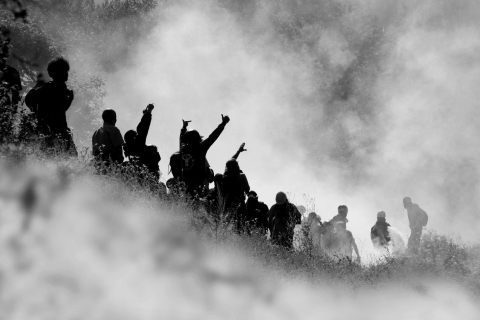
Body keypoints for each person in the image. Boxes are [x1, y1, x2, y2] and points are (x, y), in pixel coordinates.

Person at [25, 56, 76, 156]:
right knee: (69, 157)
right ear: (59, 73)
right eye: (65, 71)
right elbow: (60, 110)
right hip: (57, 130)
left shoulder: (46, 87)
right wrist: (70, 99)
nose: (67, 74)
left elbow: (28, 100)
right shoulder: (59, 89)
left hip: (46, 130)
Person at [174, 114, 230, 195]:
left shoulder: (183, 149)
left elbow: (182, 139)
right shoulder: (201, 148)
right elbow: (213, 136)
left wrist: (184, 128)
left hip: (186, 185)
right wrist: (223, 123)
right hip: (199, 185)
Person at [123, 104, 161, 180]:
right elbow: (144, 127)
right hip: (146, 175)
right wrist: (148, 112)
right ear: (134, 137)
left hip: (135, 177)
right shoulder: (138, 143)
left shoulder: (128, 149)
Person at [221, 158, 250, 232]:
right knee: (241, 226)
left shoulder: (225, 177)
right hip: (240, 204)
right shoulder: (242, 176)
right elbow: (247, 189)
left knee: (227, 225)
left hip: (228, 204)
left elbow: (222, 192)